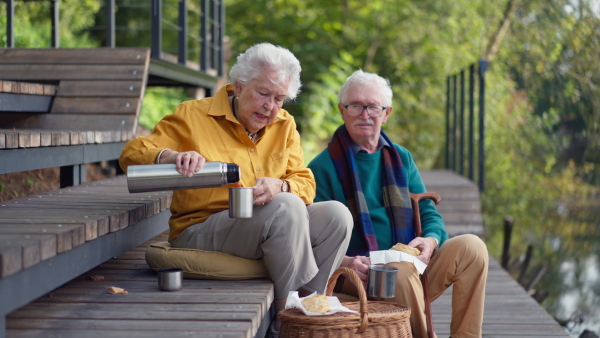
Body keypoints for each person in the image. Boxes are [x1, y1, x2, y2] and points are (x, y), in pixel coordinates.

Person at [119, 43, 353, 337]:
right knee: (287, 207)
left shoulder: (285, 125)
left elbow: (305, 182)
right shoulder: (193, 115)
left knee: (337, 215)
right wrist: (171, 157)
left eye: (279, 98)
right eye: (263, 94)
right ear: (239, 85)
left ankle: (307, 307)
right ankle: (285, 324)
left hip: (268, 226)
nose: (270, 107)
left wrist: (280, 184)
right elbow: (131, 154)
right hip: (202, 228)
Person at [307, 69, 489, 338]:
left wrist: (430, 241)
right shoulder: (321, 167)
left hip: (411, 264)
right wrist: (345, 261)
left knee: (473, 248)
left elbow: (428, 211)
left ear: (386, 113)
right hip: (359, 276)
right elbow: (310, 241)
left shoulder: (401, 158)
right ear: (342, 110)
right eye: (356, 106)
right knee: (400, 273)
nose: (365, 115)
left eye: (373, 107)